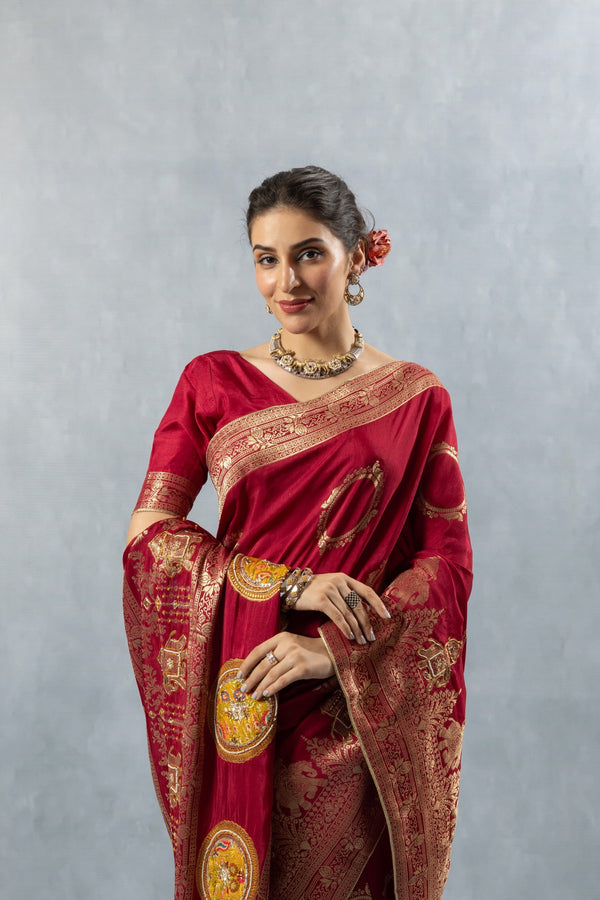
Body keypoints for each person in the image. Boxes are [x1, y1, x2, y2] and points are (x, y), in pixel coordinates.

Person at [123, 165, 473, 900]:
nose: (288, 280)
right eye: (266, 258)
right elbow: (150, 538)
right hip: (247, 697)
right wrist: (289, 585)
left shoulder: (416, 398)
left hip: (357, 718)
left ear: (356, 253)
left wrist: (333, 650)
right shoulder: (212, 383)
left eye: (309, 252)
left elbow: (444, 566)